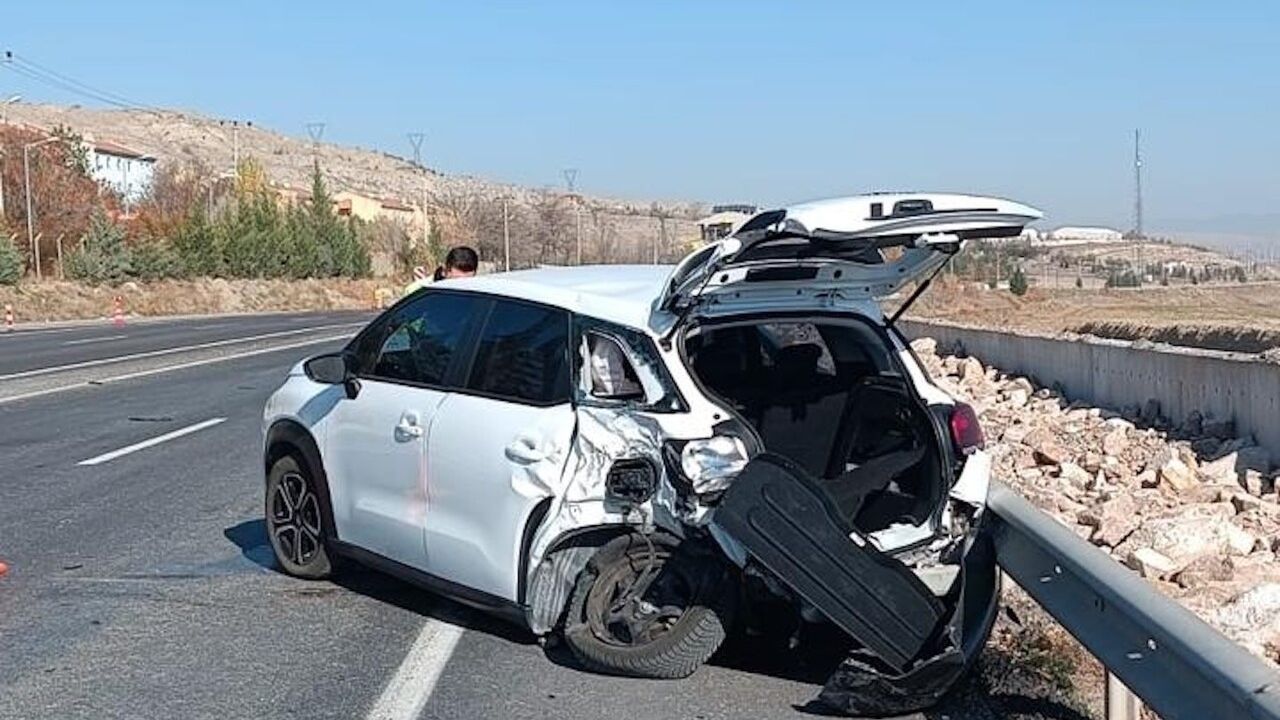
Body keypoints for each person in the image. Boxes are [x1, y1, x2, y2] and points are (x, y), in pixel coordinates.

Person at [403, 246, 479, 296]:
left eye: (467, 281)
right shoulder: (417, 292)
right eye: (456, 281)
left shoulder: (478, 294)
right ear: (444, 271)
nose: (461, 287)